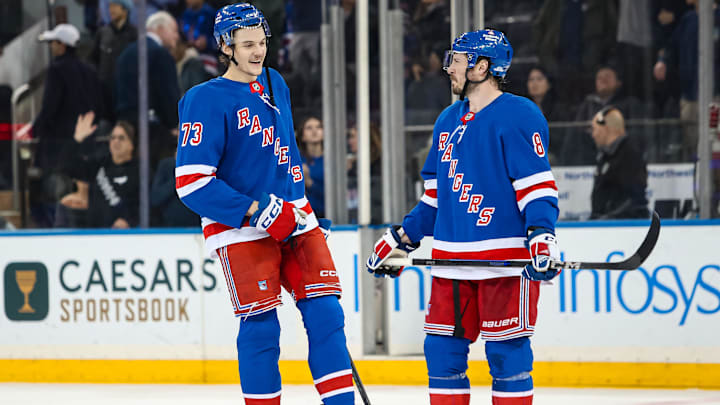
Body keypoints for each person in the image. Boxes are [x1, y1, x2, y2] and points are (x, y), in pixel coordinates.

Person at [366, 29, 560, 405]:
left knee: (507, 358)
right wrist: (401, 237)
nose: (449, 68)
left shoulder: (519, 114)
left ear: (481, 67)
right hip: (450, 261)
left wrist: (541, 235)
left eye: (457, 60)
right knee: (441, 355)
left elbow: (536, 187)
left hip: (503, 264)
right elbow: (435, 199)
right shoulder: (446, 121)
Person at [175, 4, 354, 404]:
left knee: (327, 316)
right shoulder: (204, 99)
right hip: (241, 228)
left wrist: (301, 208)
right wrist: (260, 210)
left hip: (295, 221)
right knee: (261, 327)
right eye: (248, 44)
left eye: (262, 43)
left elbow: (283, 157)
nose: (259, 52)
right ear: (226, 46)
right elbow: (191, 184)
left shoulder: (274, 82)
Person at [33, 23, 104, 226]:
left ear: (62, 45)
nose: (51, 47)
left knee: (54, 192)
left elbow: (50, 105)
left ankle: (53, 229)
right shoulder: (89, 70)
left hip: (57, 145)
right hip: (85, 144)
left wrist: (35, 129)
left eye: (53, 43)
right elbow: (98, 105)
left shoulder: (57, 69)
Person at [115, 11, 181, 167]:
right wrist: (174, 124)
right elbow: (168, 95)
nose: (177, 36)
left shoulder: (125, 53)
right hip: (153, 131)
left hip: (126, 126)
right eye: (174, 30)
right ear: (160, 29)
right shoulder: (160, 54)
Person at [57, 111, 139, 228]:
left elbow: (145, 206)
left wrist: (129, 221)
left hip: (124, 237)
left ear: (132, 145)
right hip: (95, 235)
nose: (116, 141)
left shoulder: (140, 171)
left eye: (121, 138)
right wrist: (76, 140)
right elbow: (66, 166)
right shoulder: (100, 164)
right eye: (113, 137)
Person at [590, 106, 649, 219]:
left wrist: (608, 218)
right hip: (606, 226)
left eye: (595, 129)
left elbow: (634, 198)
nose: (593, 135)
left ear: (605, 128)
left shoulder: (630, 154)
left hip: (624, 226)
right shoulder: (605, 156)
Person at [91, 0, 137, 122]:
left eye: (115, 6)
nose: (111, 9)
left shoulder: (134, 34)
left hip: (127, 95)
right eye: (110, 6)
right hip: (105, 95)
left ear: (125, 9)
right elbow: (93, 60)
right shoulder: (103, 33)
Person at [297, 116, 325, 218]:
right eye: (309, 128)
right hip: (305, 217)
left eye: (318, 127)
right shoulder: (296, 160)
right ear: (302, 136)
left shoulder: (332, 161)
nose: (314, 131)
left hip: (328, 214)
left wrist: (309, 182)